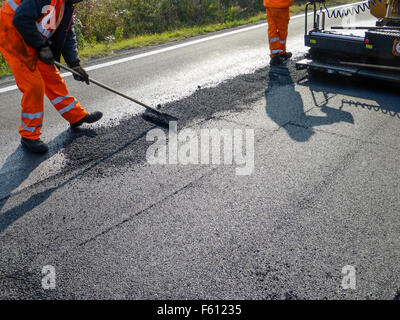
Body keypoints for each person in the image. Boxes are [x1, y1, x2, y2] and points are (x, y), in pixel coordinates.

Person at [0, 0, 103, 154]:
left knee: (53, 77)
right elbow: (21, 18)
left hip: (32, 36)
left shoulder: (67, 5)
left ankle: (76, 116)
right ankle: (29, 136)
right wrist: (41, 47)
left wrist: (75, 64)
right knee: (34, 86)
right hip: (12, 34)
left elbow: (67, 34)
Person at [264, 0, 294, 66]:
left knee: (272, 28)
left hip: (269, 4)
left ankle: (275, 54)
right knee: (282, 29)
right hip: (280, 4)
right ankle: (281, 52)